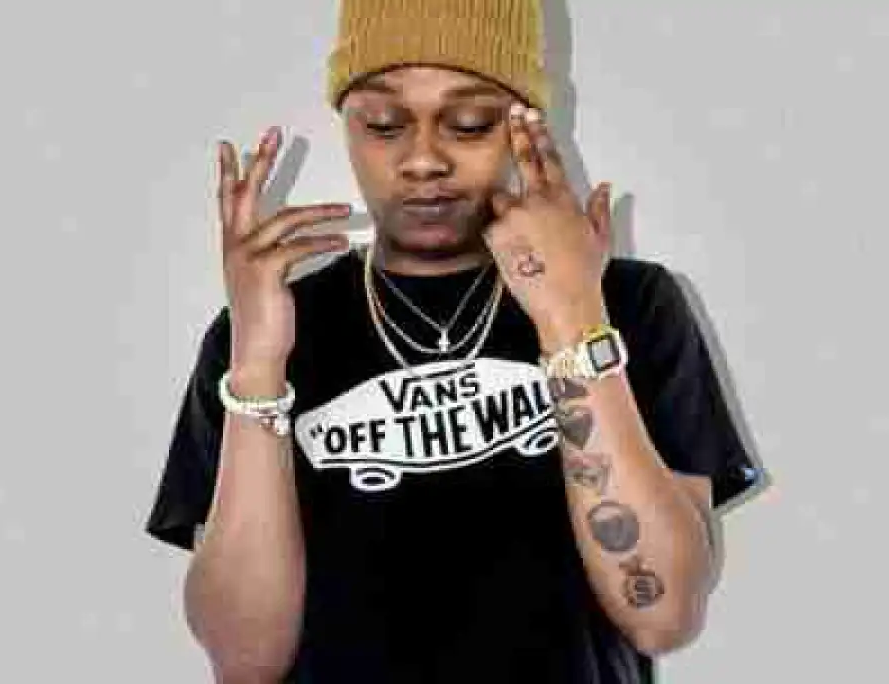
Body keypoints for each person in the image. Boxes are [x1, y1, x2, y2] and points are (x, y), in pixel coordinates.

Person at [144, 0, 761, 682]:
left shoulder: (632, 304)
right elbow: (243, 660)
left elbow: (663, 615)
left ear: (528, 124)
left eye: (469, 123)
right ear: (346, 125)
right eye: (384, 124)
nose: (423, 159)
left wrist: (571, 318)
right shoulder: (261, 332)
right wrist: (259, 368)